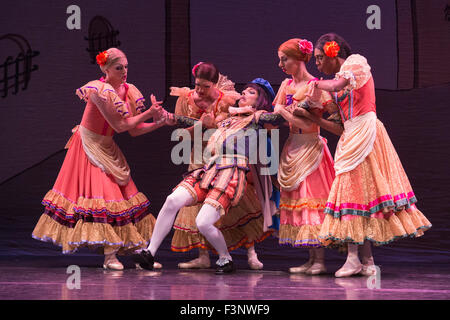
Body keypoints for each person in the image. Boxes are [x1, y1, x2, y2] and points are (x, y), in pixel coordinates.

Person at [302, 33, 432, 277]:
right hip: (351, 135)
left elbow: (337, 85)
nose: (317, 64)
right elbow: (340, 126)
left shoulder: (355, 63)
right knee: (360, 194)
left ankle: (353, 258)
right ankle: (367, 261)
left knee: (352, 191)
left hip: (366, 132)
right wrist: (314, 118)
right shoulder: (338, 86)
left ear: (334, 51)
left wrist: (315, 84)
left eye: (320, 58)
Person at [32, 48, 164, 270]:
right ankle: (110, 256)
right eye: (118, 67)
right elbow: (121, 126)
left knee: (127, 196)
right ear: (105, 68)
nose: (124, 71)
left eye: (126, 67)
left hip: (107, 146)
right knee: (107, 197)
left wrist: (159, 123)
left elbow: (135, 130)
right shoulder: (98, 90)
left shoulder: (128, 91)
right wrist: (150, 112)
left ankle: (138, 254)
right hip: (88, 146)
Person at [134, 78, 284, 274]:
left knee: (203, 222)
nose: (244, 93)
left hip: (231, 173)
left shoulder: (258, 119)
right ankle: (149, 253)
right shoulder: (226, 119)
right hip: (210, 169)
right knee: (172, 200)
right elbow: (197, 123)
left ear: (260, 101)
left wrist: (287, 106)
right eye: (244, 90)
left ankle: (225, 258)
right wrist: (169, 116)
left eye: (251, 93)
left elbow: (277, 118)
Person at [170, 63, 271, 270]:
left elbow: (237, 123)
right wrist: (201, 125)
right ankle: (203, 255)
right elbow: (181, 134)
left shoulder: (228, 99)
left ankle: (251, 252)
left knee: (237, 201)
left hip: (227, 153)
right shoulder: (184, 98)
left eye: (205, 86)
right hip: (200, 153)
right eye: (197, 85)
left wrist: (215, 125)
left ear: (214, 84)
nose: (199, 90)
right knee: (198, 204)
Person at [272, 38, 336, 275]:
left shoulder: (315, 86)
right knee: (299, 202)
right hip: (292, 146)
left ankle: (319, 259)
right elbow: (276, 113)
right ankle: (310, 258)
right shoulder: (286, 84)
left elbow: (310, 122)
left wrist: (282, 113)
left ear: (299, 59)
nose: (280, 64)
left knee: (311, 201)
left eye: (284, 59)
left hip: (310, 146)